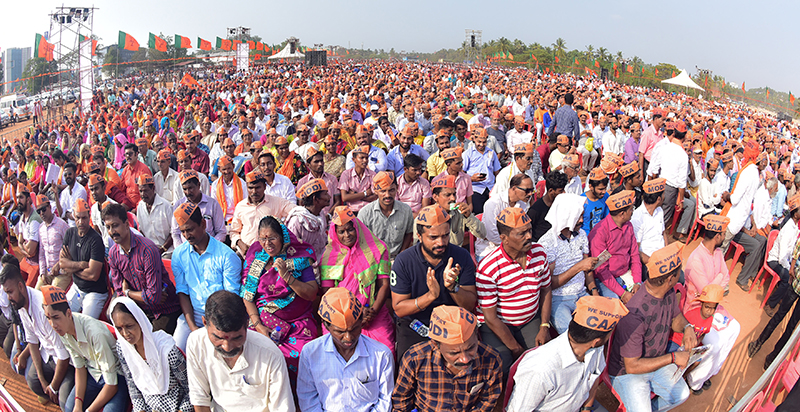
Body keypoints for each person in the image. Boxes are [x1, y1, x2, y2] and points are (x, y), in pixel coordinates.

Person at [608, 243, 694, 412]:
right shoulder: (634, 315)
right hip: (628, 373)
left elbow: (676, 318)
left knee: (682, 394)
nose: (681, 274)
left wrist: (688, 327)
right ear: (670, 279)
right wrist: (673, 358)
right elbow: (632, 366)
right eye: (679, 271)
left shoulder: (668, 292)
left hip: (655, 361)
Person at [506, 296, 629, 412]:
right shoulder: (540, 370)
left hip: (581, 404)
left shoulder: (596, 349)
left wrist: (587, 408)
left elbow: (594, 378)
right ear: (596, 341)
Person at [239, 216, 320, 386]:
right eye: (263, 239)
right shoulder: (255, 259)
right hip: (262, 321)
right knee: (251, 353)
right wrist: (259, 326)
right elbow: (247, 297)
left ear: (282, 237)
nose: (267, 244)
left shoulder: (298, 258)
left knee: (303, 354)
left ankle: (298, 395)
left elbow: (312, 294)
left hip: (297, 322)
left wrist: (287, 276)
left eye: (272, 238)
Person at [390, 205, 478, 359]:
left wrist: (453, 288)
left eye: (445, 235)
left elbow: (470, 305)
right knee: (410, 364)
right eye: (433, 237)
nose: (441, 242)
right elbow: (399, 309)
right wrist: (430, 296)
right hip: (415, 325)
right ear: (419, 236)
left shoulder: (461, 256)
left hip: (454, 324)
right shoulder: (403, 261)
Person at [186, 290, 295, 412]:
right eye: (218, 338)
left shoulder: (270, 354)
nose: (227, 347)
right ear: (205, 323)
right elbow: (199, 398)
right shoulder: (196, 343)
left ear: (247, 325)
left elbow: (282, 408)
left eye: (236, 338)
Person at [476, 207, 552, 375]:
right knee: (500, 366)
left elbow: (546, 289)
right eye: (521, 234)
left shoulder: (539, 253)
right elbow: (490, 317)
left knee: (543, 360)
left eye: (529, 230)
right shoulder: (488, 268)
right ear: (504, 238)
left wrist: (544, 325)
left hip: (529, 320)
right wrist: (515, 347)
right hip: (498, 324)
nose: (529, 236)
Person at [297, 288, 394, 412]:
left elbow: (385, 401)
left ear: (361, 322)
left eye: (354, 329)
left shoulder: (382, 355)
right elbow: (308, 399)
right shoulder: (310, 353)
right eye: (340, 332)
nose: (348, 337)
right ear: (326, 326)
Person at [392, 305, 502, 412]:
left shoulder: (491, 359)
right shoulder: (415, 358)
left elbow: (486, 402)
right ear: (435, 345)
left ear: (476, 336)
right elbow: (401, 401)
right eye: (454, 353)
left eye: (471, 348)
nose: (465, 359)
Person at [320, 206, 395, 355]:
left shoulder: (378, 249)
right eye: (341, 232)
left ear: (357, 227)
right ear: (335, 233)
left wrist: (372, 312)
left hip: (372, 311)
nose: (347, 235)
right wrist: (352, 315)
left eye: (350, 229)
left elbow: (384, 285)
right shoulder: (329, 256)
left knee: (386, 350)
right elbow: (328, 293)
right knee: (335, 353)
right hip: (339, 315)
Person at [42, 285, 130, 412]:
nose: (53, 324)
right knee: (69, 408)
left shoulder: (94, 334)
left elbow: (112, 385)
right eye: (48, 318)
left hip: (116, 376)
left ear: (68, 314)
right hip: (93, 373)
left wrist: (88, 411)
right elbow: (80, 367)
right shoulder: (63, 330)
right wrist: (78, 403)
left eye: (56, 317)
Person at [171, 202, 242, 351]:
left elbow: (230, 298)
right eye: (183, 231)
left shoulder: (226, 256)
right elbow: (183, 292)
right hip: (193, 316)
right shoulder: (179, 254)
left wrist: (213, 329)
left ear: (203, 224)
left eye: (190, 229)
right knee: (177, 350)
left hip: (221, 317)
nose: (186, 236)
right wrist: (193, 328)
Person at [2, 264, 75, 409]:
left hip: (68, 362)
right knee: (33, 380)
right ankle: (53, 394)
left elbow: (64, 356)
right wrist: (42, 380)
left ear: (20, 287)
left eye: (10, 292)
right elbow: (33, 341)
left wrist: (53, 386)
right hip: (49, 355)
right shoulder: (20, 305)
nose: (9, 298)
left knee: (65, 402)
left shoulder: (44, 309)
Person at [104, 203, 181, 333]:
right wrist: (134, 296)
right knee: (118, 323)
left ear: (126, 224)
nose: (112, 231)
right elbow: (119, 292)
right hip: (138, 309)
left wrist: (129, 293)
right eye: (108, 227)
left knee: (153, 340)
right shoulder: (113, 254)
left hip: (164, 310)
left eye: (115, 225)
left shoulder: (147, 250)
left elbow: (154, 297)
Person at [110, 297, 192, 412]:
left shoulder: (166, 350)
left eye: (129, 326)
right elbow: (132, 384)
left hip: (175, 407)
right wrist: (140, 410)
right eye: (119, 328)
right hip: (147, 407)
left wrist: (181, 410)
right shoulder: (123, 347)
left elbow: (192, 389)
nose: (125, 334)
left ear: (140, 322)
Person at [538, 193, 601, 334]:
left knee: (599, 329)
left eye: (582, 216)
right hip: (559, 299)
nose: (581, 220)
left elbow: (587, 269)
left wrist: (594, 291)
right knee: (572, 336)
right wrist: (578, 267)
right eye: (578, 217)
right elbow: (549, 284)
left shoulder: (581, 234)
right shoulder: (548, 243)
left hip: (582, 293)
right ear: (566, 216)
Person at [589, 190, 642, 302]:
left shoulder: (628, 226)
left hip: (626, 274)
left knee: (642, 299)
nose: (633, 212)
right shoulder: (600, 232)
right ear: (622, 214)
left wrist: (637, 282)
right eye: (631, 209)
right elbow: (601, 270)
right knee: (614, 306)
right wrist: (623, 294)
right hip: (606, 280)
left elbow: (635, 255)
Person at [229, 170, 297, 257]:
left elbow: (297, 211)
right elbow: (234, 231)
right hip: (246, 254)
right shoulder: (240, 206)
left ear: (265, 187)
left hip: (271, 254)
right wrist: (239, 243)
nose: (254, 191)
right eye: (250, 188)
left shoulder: (277, 202)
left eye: (258, 187)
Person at [59, 199, 108, 319]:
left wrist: (70, 267)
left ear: (89, 216)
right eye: (78, 218)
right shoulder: (70, 233)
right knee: (62, 316)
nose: (81, 222)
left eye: (84, 218)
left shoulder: (95, 240)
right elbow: (62, 263)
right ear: (73, 216)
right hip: (76, 287)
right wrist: (80, 265)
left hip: (95, 292)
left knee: (86, 324)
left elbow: (93, 275)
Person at [416, 174, 486, 246]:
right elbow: (417, 245)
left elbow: (482, 234)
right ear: (435, 197)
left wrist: (469, 216)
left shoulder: (460, 212)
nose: (453, 198)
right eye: (447, 195)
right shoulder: (425, 216)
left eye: (454, 194)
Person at [477, 173, 533, 260]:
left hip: (514, 246)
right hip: (489, 248)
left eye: (532, 190)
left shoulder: (522, 204)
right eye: (527, 190)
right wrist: (512, 244)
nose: (530, 194)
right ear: (514, 188)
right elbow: (491, 234)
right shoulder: (493, 203)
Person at [357, 171, 414, 259]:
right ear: (375, 191)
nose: (387, 195)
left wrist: (401, 256)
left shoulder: (406, 210)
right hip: (373, 259)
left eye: (391, 190)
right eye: (383, 191)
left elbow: (408, 233)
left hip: (396, 258)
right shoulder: (365, 213)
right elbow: (360, 241)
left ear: (397, 188)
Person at [170, 169, 227, 248]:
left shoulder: (212, 204)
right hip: (186, 249)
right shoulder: (179, 206)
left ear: (198, 185)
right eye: (185, 189)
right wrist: (181, 250)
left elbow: (221, 232)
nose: (188, 192)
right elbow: (175, 233)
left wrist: (211, 247)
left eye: (191, 188)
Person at [286, 178, 331, 262]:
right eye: (325, 194)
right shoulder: (297, 221)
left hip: (322, 260)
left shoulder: (321, 215)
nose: (329, 197)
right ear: (316, 199)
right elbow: (292, 250)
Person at [631, 178, 667, 278]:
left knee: (680, 277)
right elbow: (635, 250)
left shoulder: (659, 211)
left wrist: (667, 253)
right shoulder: (637, 217)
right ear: (659, 199)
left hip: (662, 258)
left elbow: (663, 234)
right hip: (647, 261)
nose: (665, 196)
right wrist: (654, 262)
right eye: (663, 194)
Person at [462, 128, 502, 215]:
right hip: (475, 188)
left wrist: (498, 186)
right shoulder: (467, 154)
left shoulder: (492, 152)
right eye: (479, 142)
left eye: (484, 142)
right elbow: (461, 174)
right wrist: (471, 179)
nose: (481, 144)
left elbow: (497, 172)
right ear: (474, 139)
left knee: (493, 213)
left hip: (491, 188)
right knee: (479, 213)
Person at [36, 193, 70, 289]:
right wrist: (42, 273)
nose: (42, 213)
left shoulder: (62, 225)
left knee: (53, 295)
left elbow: (71, 249)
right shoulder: (41, 228)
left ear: (50, 207)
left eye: (44, 209)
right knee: (36, 293)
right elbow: (41, 253)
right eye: (39, 211)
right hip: (48, 272)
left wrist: (59, 264)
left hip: (62, 272)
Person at [136, 175, 174, 256]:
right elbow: (141, 231)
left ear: (153, 189)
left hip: (167, 250)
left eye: (145, 191)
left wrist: (163, 248)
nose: (143, 194)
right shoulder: (140, 207)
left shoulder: (166, 206)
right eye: (140, 191)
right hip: (149, 250)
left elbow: (174, 232)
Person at [297, 146, 341, 216]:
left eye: (321, 161)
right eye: (316, 162)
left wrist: (328, 215)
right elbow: (301, 204)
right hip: (310, 218)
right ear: (308, 165)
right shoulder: (303, 182)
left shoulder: (332, 179)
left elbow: (338, 201)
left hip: (331, 217)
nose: (320, 164)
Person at [528, 171, 567, 241]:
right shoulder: (536, 209)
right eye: (561, 191)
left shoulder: (561, 205)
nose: (564, 193)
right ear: (551, 191)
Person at [14, 187, 41, 286]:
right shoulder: (22, 218)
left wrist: (24, 246)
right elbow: (19, 243)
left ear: (28, 199)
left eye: (21, 197)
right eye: (17, 198)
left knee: (26, 290)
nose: (18, 201)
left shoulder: (34, 220)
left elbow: (31, 250)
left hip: (37, 263)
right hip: (27, 259)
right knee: (14, 281)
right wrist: (25, 247)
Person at [339, 145, 378, 213]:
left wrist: (354, 195)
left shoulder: (372, 174)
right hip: (352, 211)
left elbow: (375, 197)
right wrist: (365, 193)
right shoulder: (346, 174)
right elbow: (344, 198)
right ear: (354, 160)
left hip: (369, 211)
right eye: (362, 158)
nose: (365, 160)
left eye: (366, 158)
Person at [210, 155, 246, 225]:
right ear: (219, 169)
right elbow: (214, 205)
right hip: (221, 219)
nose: (227, 171)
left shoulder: (242, 183)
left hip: (239, 218)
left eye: (229, 168)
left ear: (233, 166)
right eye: (224, 169)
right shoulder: (215, 185)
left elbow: (245, 204)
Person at [55, 162, 88, 227]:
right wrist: (56, 195)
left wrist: (66, 213)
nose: (67, 176)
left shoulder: (80, 190)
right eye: (65, 175)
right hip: (67, 226)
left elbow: (77, 216)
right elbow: (61, 214)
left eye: (70, 174)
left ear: (75, 174)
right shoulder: (64, 192)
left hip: (78, 226)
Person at [581, 167, 610, 233]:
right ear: (591, 187)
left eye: (605, 188)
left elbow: (606, 217)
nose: (604, 192)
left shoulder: (605, 196)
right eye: (600, 189)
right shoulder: (582, 201)